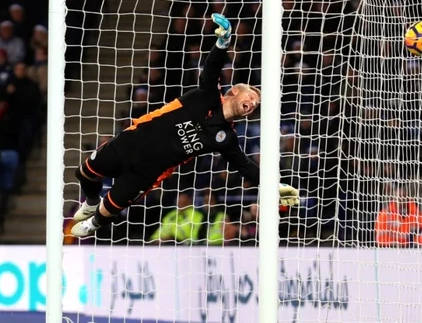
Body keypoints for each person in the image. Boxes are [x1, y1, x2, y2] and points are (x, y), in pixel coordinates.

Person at [71, 14, 300, 237]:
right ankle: (91, 202)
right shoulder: (207, 96)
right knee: (84, 173)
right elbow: (211, 70)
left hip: (150, 171)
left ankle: (95, 222)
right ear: (234, 91)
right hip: (132, 142)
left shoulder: (226, 137)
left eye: (256, 104)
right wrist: (222, 43)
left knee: (111, 206)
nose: (253, 103)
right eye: (251, 96)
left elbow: (246, 167)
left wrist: (275, 186)